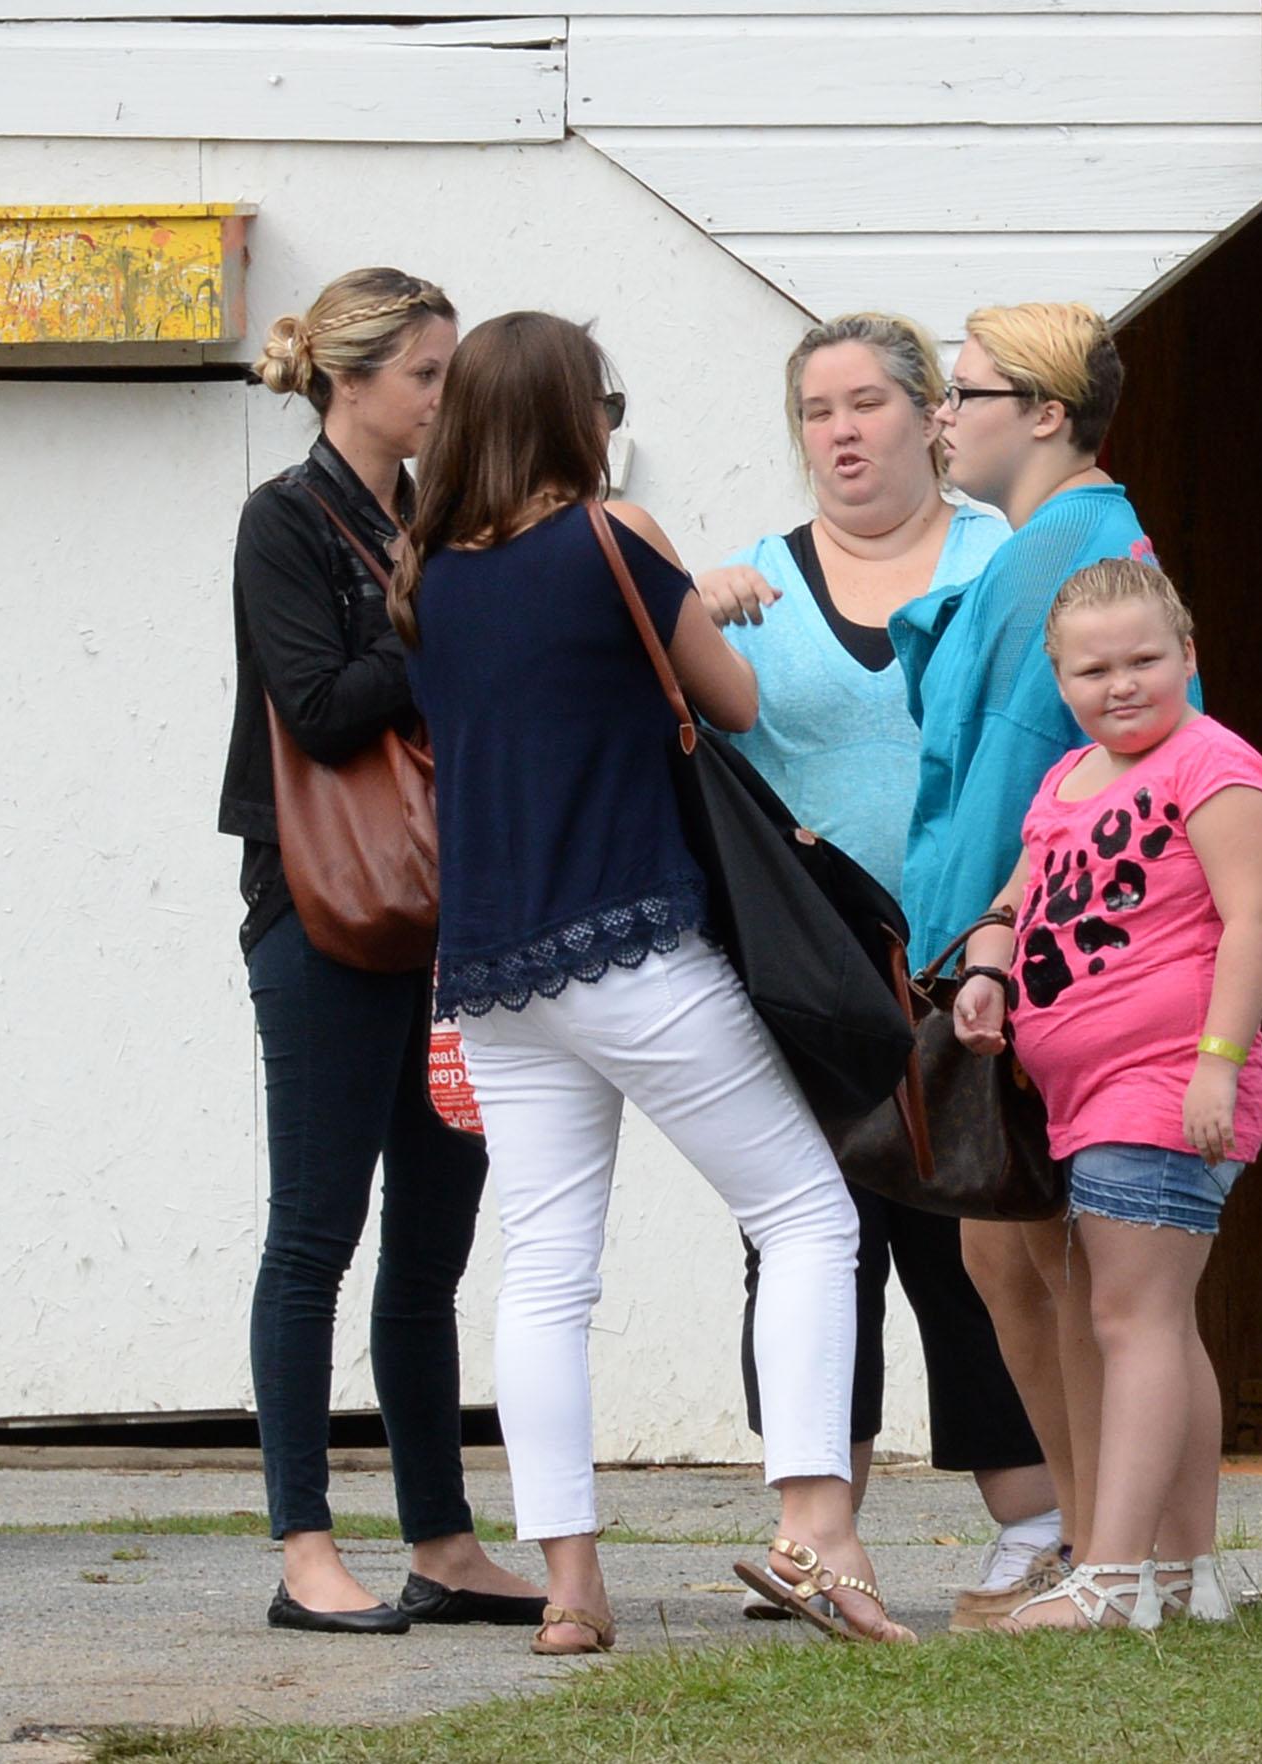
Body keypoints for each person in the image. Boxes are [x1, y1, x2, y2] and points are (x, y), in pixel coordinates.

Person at [393, 310, 912, 1652]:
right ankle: (819, 1532)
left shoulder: (428, 570)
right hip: (627, 941)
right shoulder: (614, 540)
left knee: (545, 1271)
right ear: (580, 415)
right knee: (806, 1211)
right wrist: (710, 597)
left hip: (495, 967)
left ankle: (570, 1587)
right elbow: (729, 702)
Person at [694, 312, 1061, 1623]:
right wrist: (696, 623)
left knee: (967, 1233)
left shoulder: (1000, 559)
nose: (841, 432)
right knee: (804, 1239)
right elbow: (690, 749)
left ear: (929, 417)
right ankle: (817, 1536)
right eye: (816, 410)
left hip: (969, 956)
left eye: (866, 404)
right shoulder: (748, 583)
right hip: (806, 966)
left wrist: (1006, 935)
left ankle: (1036, 1523)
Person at [219, 268, 544, 1634]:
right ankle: (304, 1550)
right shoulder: (286, 523)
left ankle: (444, 1541)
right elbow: (322, 704)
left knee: (433, 1243)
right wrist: (450, 611)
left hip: (450, 916)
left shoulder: (440, 522)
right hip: (323, 911)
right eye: (427, 375)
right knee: (314, 1234)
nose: (445, 397)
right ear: (351, 382)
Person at [891, 301, 1196, 1625]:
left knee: (1060, 1265)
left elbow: (1028, 780)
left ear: (1046, 412)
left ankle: (1112, 1556)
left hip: (1042, 962)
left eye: (962, 393)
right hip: (1036, 953)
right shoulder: (1056, 546)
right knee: (1030, 1263)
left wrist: (981, 958)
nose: (936, 416)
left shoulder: (1065, 557)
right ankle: (1129, 1557)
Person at [954, 560, 1262, 1630]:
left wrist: (1218, 1062)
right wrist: (989, 963)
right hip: (1072, 1095)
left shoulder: (1216, 767)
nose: (1122, 684)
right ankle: (1186, 1577)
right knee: (1156, 1325)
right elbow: (1021, 891)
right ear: (1058, 680)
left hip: (1164, 1085)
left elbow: (1255, 920)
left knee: (1129, 1319)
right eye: (1093, 669)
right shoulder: (1068, 781)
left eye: (1145, 660)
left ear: (1189, 655)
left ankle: (1110, 1580)